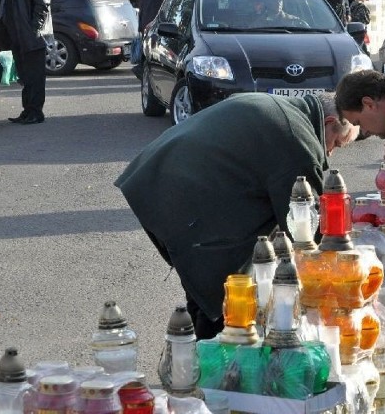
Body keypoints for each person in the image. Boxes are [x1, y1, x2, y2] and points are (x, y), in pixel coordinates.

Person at [115, 92, 358, 339]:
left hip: (157, 178)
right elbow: (304, 228)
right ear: (328, 123)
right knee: (227, 298)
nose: (330, 153)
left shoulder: (286, 111)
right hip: (180, 194)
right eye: (336, 143)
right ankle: (210, 363)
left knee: (212, 293)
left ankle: (196, 358)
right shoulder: (297, 138)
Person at [0, 0, 52, 124]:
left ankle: (36, 112)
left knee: (35, 76)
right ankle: (27, 111)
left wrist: (34, 30)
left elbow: (42, 4)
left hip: (31, 36)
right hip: (16, 36)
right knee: (25, 76)